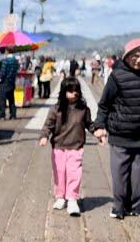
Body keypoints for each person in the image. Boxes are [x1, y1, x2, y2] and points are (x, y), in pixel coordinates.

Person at [93, 39, 140, 219]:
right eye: (135, 55)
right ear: (127, 56)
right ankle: (119, 207)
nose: (138, 59)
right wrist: (99, 126)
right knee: (120, 174)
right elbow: (104, 104)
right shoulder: (116, 76)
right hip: (120, 135)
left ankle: (135, 206)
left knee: (137, 175)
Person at [39, 77, 100, 216]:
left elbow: (89, 124)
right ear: (64, 92)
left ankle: (72, 198)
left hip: (76, 147)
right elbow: (48, 125)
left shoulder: (83, 109)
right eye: (71, 91)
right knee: (59, 173)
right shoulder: (56, 109)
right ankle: (60, 196)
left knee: (74, 173)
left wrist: (97, 132)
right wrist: (44, 136)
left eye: (77, 90)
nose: (75, 93)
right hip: (59, 147)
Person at [0, 48, 19, 120]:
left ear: (7, 51)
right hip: (12, 81)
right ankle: (13, 115)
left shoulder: (5, 61)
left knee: (3, 99)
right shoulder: (16, 61)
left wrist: (0, 78)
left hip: (4, 82)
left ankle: (2, 115)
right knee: (11, 99)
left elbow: (3, 72)